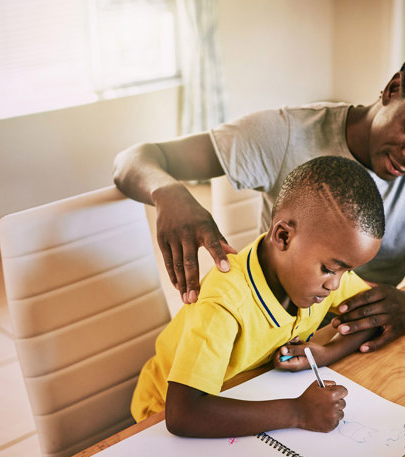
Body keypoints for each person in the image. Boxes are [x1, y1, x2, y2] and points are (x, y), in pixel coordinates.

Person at [114, 22, 405, 354]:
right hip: (274, 340)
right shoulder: (285, 135)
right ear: (393, 89)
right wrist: (168, 193)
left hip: (359, 343)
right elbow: (135, 159)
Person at [131, 156, 386, 437]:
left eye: (345, 271)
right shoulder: (225, 304)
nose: (335, 285)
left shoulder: (319, 276)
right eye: (329, 269)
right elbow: (182, 414)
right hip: (160, 415)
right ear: (283, 237)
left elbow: (376, 312)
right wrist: (298, 412)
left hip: (245, 391)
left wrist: (328, 353)